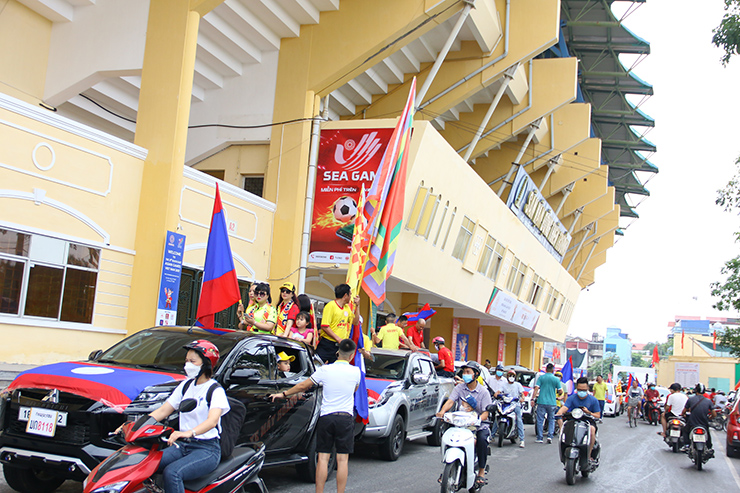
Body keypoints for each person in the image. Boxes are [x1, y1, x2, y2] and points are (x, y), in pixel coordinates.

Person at [269, 339, 361, 493]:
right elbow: (354, 389)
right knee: (342, 460)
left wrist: (283, 394)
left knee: (323, 458)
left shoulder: (325, 370)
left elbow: (303, 385)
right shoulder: (356, 372)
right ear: (352, 356)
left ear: (337, 352)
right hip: (345, 418)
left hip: (326, 417)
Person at [148, 340, 230, 493]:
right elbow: (162, 411)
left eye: (192, 361)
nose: (188, 365)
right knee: (146, 463)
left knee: (173, 473)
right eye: (186, 361)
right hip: (181, 445)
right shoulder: (185, 385)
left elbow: (212, 421)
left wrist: (188, 432)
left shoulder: (215, 390)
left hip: (206, 449)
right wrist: (137, 425)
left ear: (205, 364)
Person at [436, 362, 492, 489]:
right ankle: (448, 467)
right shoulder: (459, 388)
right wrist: (442, 412)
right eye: (464, 372)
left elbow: (486, 412)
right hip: (460, 423)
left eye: (468, 372)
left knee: (482, 440)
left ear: (476, 374)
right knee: (448, 437)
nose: (465, 374)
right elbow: (451, 401)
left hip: (478, 424)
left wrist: (478, 419)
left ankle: (481, 471)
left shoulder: (483, 392)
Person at [556, 377, 601, 468]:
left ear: (588, 388)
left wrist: (589, 412)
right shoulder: (572, 398)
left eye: (584, 390)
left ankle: (588, 455)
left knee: (592, 430)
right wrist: (559, 413)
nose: (581, 392)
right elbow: (565, 407)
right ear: (577, 388)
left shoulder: (593, 400)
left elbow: (597, 415)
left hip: (588, 423)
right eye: (579, 389)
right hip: (573, 422)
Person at [317, 284, 359, 364]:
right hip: (327, 344)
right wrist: (338, 339)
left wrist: (357, 306)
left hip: (339, 347)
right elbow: (325, 326)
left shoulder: (347, 308)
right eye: (350, 294)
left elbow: (355, 322)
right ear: (345, 295)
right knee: (317, 365)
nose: (351, 297)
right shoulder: (331, 306)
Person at [681, 383, 716, 456]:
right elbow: (714, 414)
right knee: (708, 435)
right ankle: (709, 448)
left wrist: (683, 415)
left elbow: (684, 411)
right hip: (704, 423)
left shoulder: (691, 399)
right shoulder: (708, 401)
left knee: (685, 430)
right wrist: (710, 418)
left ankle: (687, 445)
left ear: (695, 390)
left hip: (692, 423)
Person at [531, 363, 560, 443]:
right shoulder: (556, 379)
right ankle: (550, 436)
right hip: (552, 402)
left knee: (540, 420)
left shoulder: (541, 378)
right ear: (553, 370)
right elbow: (560, 390)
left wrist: (532, 399)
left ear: (546, 369)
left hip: (542, 401)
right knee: (551, 419)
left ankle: (540, 438)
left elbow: (536, 388)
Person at [502, 369, 526, 448]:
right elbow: (498, 392)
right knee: (498, 415)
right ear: (507, 376)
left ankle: (522, 440)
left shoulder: (518, 385)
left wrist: (522, 398)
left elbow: (522, 394)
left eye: (513, 376)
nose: (511, 377)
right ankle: (491, 436)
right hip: (506, 404)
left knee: (519, 419)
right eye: (510, 375)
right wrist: (497, 395)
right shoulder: (504, 385)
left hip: (515, 404)